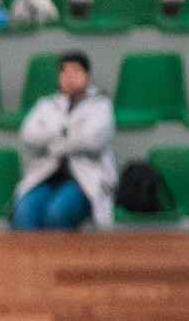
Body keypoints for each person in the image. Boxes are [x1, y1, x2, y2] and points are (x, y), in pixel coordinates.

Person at [11, 50, 114, 230]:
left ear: (87, 76)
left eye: (75, 71)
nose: (69, 77)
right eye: (64, 72)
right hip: (45, 176)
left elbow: (92, 141)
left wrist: (54, 142)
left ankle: (59, 259)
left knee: (57, 212)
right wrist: (63, 135)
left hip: (82, 180)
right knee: (23, 211)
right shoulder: (46, 105)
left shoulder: (100, 105)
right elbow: (28, 135)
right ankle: (29, 259)